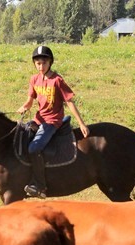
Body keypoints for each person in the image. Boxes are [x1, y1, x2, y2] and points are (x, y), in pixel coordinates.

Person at [17, 45, 90, 199]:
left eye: (44, 63)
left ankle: (40, 186)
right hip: (39, 119)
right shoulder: (34, 79)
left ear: (50, 63)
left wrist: (81, 123)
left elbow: (69, 102)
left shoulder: (57, 80)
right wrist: (24, 107)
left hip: (52, 121)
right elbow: (30, 101)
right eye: (38, 63)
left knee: (34, 148)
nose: (41, 66)